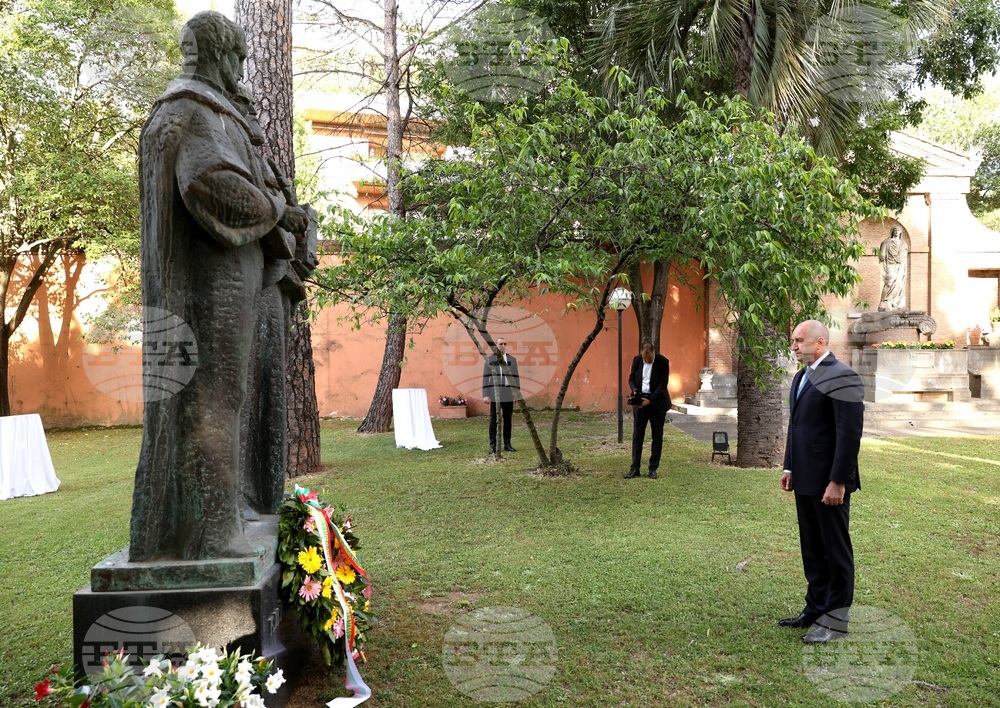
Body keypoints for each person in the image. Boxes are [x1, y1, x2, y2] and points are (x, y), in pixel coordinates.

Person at [129, 11, 306, 561]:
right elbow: (211, 183)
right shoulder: (191, 109)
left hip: (232, 277)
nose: (243, 67)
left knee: (226, 398)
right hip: (213, 282)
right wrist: (277, 208)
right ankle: (211, 532)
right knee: (212, 401)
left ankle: (225, 516)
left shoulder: (211, 110)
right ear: (219, 55)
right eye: (239, 57)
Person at [779, 320, 864, 644]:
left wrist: (838, 481)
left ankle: (836, 620)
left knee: (835, 552)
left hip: (830, 484)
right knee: (813, 550)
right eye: (793, 340)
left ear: (820, 342)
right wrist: (789, 467)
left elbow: (848, 434)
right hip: (805, 479)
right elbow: (797, 427)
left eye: (799, 340)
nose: (794, 346)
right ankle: (814, 609)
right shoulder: (801, 377)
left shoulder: (842, 376)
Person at [624, 341, 670, 479]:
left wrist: (649, 401)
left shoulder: (663, 361)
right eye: (645, 358)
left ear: (653, 353)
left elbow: (663, 385)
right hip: (640, 403)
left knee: (657, 437)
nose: (647, 360)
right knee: (637, 437)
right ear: (641, 354)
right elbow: (631, 378)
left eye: (649, 358)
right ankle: (635, 468)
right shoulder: (637, 360)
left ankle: (653, 468)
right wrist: (635, 390)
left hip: (657, 403)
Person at [482, 338, 520, 453]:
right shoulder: (490, 359)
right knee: (494, 420)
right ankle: (492, 445)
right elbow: (485, 378)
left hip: (508, 393)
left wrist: (516, 394)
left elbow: (516, 378)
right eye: (500, 344)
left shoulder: (512, 360)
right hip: (495, 394)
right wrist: (485, 394)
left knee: (508, 420)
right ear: (496, 345)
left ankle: (507, 444)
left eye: (504, 344)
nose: (502, 346)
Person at [877, 226, 908, 311]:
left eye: (898, 230)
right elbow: (882, 255)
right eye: (895, 230)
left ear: (900, 232)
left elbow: (904, 258)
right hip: (890, 266)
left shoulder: (903, 244)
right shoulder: (886, 242)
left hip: (900, 266)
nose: (897, 232)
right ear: (892, 232)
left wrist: (904, 269)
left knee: (899, 284)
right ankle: (884, 302)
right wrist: (882, 256)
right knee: (889, 283)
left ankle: (896, 302)